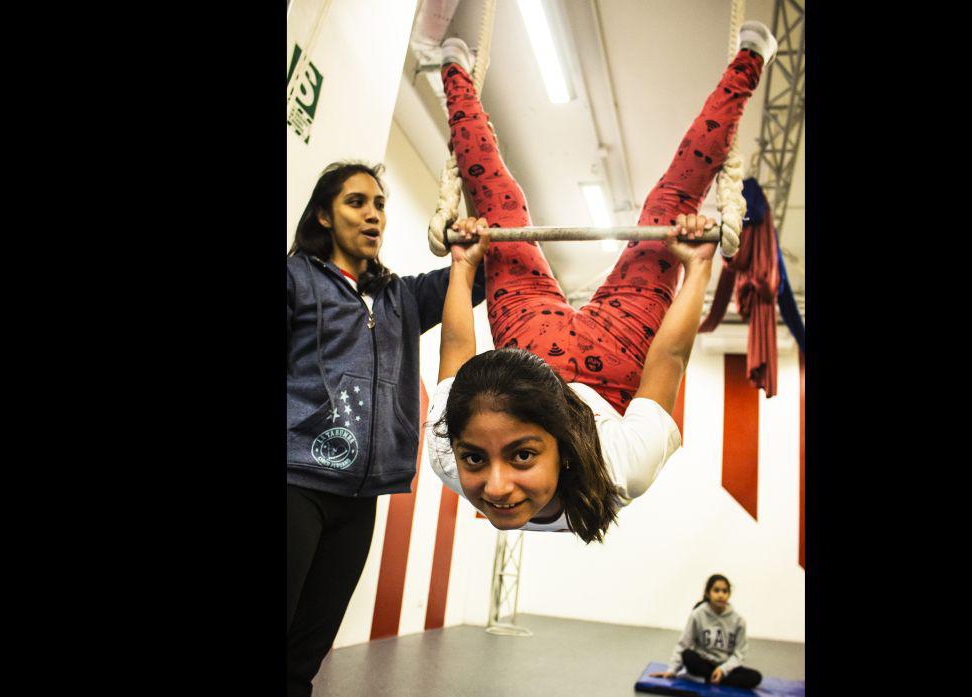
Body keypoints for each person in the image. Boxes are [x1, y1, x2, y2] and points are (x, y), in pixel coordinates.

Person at [426, 22, 779, 543]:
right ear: (565, 449)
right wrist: (697, 267)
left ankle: (452, 72)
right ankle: (748, 64)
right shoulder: (621, 467)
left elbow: (456, 348)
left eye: (485, 457)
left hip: (526, 346)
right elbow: (667, 360)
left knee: (500, 206)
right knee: (669, 205)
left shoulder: (445, 451)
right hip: (613, 358)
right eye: (523, 455)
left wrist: (464, 265)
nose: (496, 488)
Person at [286, 161, 484, 696]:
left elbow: (480, 276)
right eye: (357, 202)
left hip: (363, 491)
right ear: (324, 215)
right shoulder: (297, 279)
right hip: (297, 481)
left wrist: (468, 237)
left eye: (379, 204)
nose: (373, 214)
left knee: (308, 647)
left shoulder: (401, 298)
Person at [649, 574, 762, 689]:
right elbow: (684, 643)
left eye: (724, 591)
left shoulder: (739, 621)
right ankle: (716, 678)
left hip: (725, 666)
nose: (720, 595)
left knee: (755, 677)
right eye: (716, 590)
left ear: (729, 594)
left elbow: (739, 654)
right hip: (704, 663)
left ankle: (709, 678)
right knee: (687, 655)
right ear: (708, 593)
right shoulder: (697, 614)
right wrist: (672, 670)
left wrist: (722, 670)